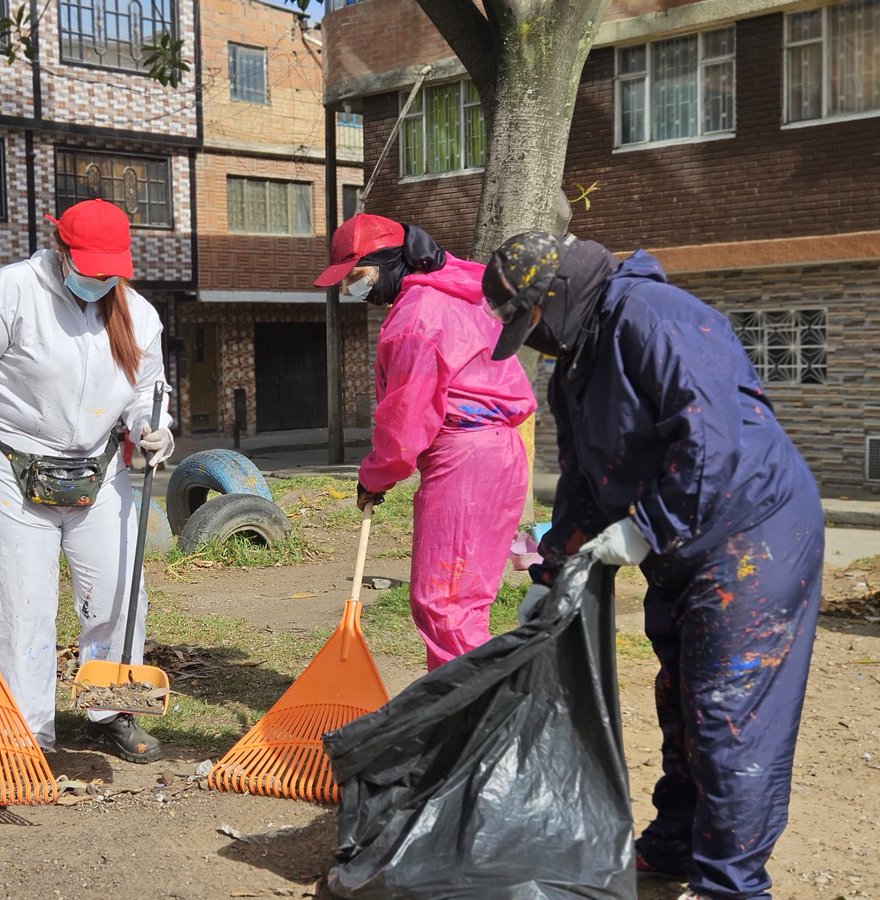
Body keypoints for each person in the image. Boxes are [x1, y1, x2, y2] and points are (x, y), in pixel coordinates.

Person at [483, 232, 824, 900]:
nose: (535, 342)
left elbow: (719, 445)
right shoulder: (579, 360)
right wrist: (554, 573)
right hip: (683, 545)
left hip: (752, 536)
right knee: (682, 702)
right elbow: (582, 479)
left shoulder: (652, 317)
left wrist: (644, 529)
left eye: (531, 324)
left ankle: (731, 886)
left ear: (555, 296)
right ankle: (674, 846)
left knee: (730, 719)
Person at [0, 199, 175, 763]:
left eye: (109, 270)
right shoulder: (8, 292)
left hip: (98, 466)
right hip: (10, 465)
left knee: (117, 593)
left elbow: (146, 393)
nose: (98, 280)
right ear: (61, 251)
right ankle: (26, 729)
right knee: (24, 601)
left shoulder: (139, 314)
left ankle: (112, 708)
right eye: (89, 268)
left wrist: (152, 429)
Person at [313, 214, 537, 670]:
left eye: (359, 276)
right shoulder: (460, 291)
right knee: (466, 601)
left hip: (465, 459)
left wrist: (375, 476)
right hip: (500, 455)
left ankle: (465, 723)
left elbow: (406, 422)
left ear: (391, 261)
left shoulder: (415, 319)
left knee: (444, 604)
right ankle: (463, 713)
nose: (357, 289)